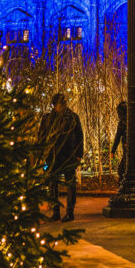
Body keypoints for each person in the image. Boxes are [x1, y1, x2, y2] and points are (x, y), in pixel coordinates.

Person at [38, 92, 84, 222]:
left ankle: (70, 212)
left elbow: (79, 136)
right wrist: (42, 154)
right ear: (54, 105)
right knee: (52, 184)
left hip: (69, 155)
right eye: (60, 103)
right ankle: (55, 211)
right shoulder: (47, 118)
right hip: (53, 156)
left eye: (64, 102)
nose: (63, 105)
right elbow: (42, 135)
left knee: (70, 184)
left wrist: (78, 155)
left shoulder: (73, 117)